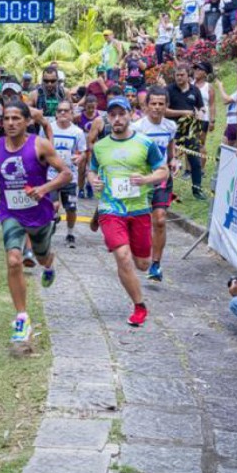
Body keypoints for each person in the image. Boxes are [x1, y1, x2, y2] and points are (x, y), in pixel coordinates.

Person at [0, 101, 73, 346]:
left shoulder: (40, 145)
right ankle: (22, 317)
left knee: (41, 257)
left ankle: (49, 265)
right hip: (11, 213)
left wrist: (44, 189)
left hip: (39, 214)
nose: (11, 123)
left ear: (27, 121)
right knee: (14, 260)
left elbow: (66, 173)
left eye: (17, 118)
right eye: (6, 118)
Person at [88, 97, 169, 327]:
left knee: (142, 264)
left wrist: (146, 179)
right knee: (123, 257)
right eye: (112, 115)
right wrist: (94, 181)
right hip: (110, 209)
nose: (116, 119)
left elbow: (163, 171)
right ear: (108, 118)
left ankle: (133, 254)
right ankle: (139, 306)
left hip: (139, 208)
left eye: (121, 114)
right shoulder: (100, 147)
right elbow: (92, 171)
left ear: (130, 115)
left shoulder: (145, 143)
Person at [133, 88, 177, 281]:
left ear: (166, 105)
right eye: (154, 103)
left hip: (161, 179)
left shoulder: (171, 126)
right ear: (146, 106)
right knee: (138, 222)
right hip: (140, 181)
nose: (157, 108)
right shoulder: (137, 128)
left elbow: (170, 146)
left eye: (161, 104)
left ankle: (156, 265)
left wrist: (173, 159)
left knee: (159, 220)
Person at [165, 64, 206, 200]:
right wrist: (183, 112)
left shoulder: (195, 91)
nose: (179, 78)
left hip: (189, 131)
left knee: (195, 161)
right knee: (168, 161)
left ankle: (197, 190)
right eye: (177, 75)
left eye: (182, 75)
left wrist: (200, 114)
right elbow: (164, 111)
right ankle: (166, 191)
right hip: (171, 132)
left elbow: (201, 108)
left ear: (188, 76)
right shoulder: (168, 90)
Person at [50, 100, 87, 247]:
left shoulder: (77, 132)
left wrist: (79, 157)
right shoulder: (49, 129)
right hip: (51, 175)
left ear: (72, 113)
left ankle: (70, 234)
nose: (63, 113)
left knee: (71, 208)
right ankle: (52, 220)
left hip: (70, 177)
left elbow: (83, 152)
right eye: (60, 111)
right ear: (56, 113)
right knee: (53, 205)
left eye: (66, 110)